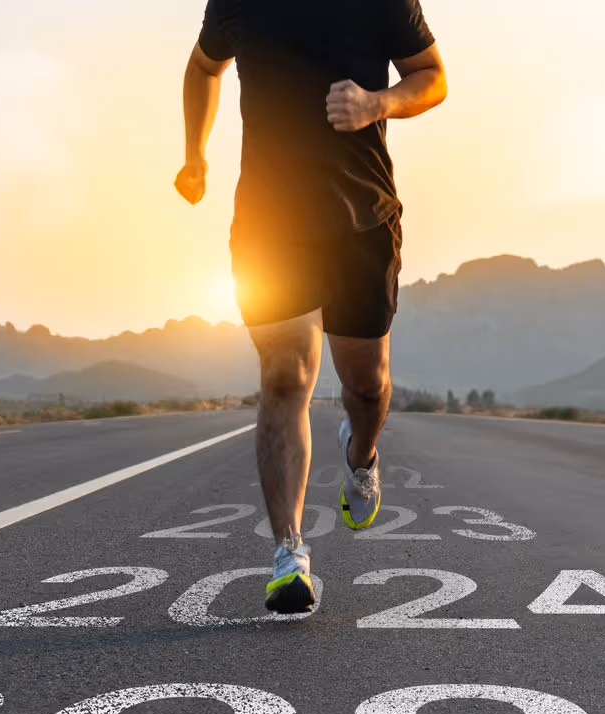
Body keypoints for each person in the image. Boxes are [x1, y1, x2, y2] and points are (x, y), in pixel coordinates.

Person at [177, 1, 447, 615]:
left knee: (367, 386)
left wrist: (378, 103)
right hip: (270, 222)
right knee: (285, 373)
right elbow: (203, 68)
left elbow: (432, 76)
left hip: (362, 218)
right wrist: (195, 154)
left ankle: (362, 453)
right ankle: (288, 553)